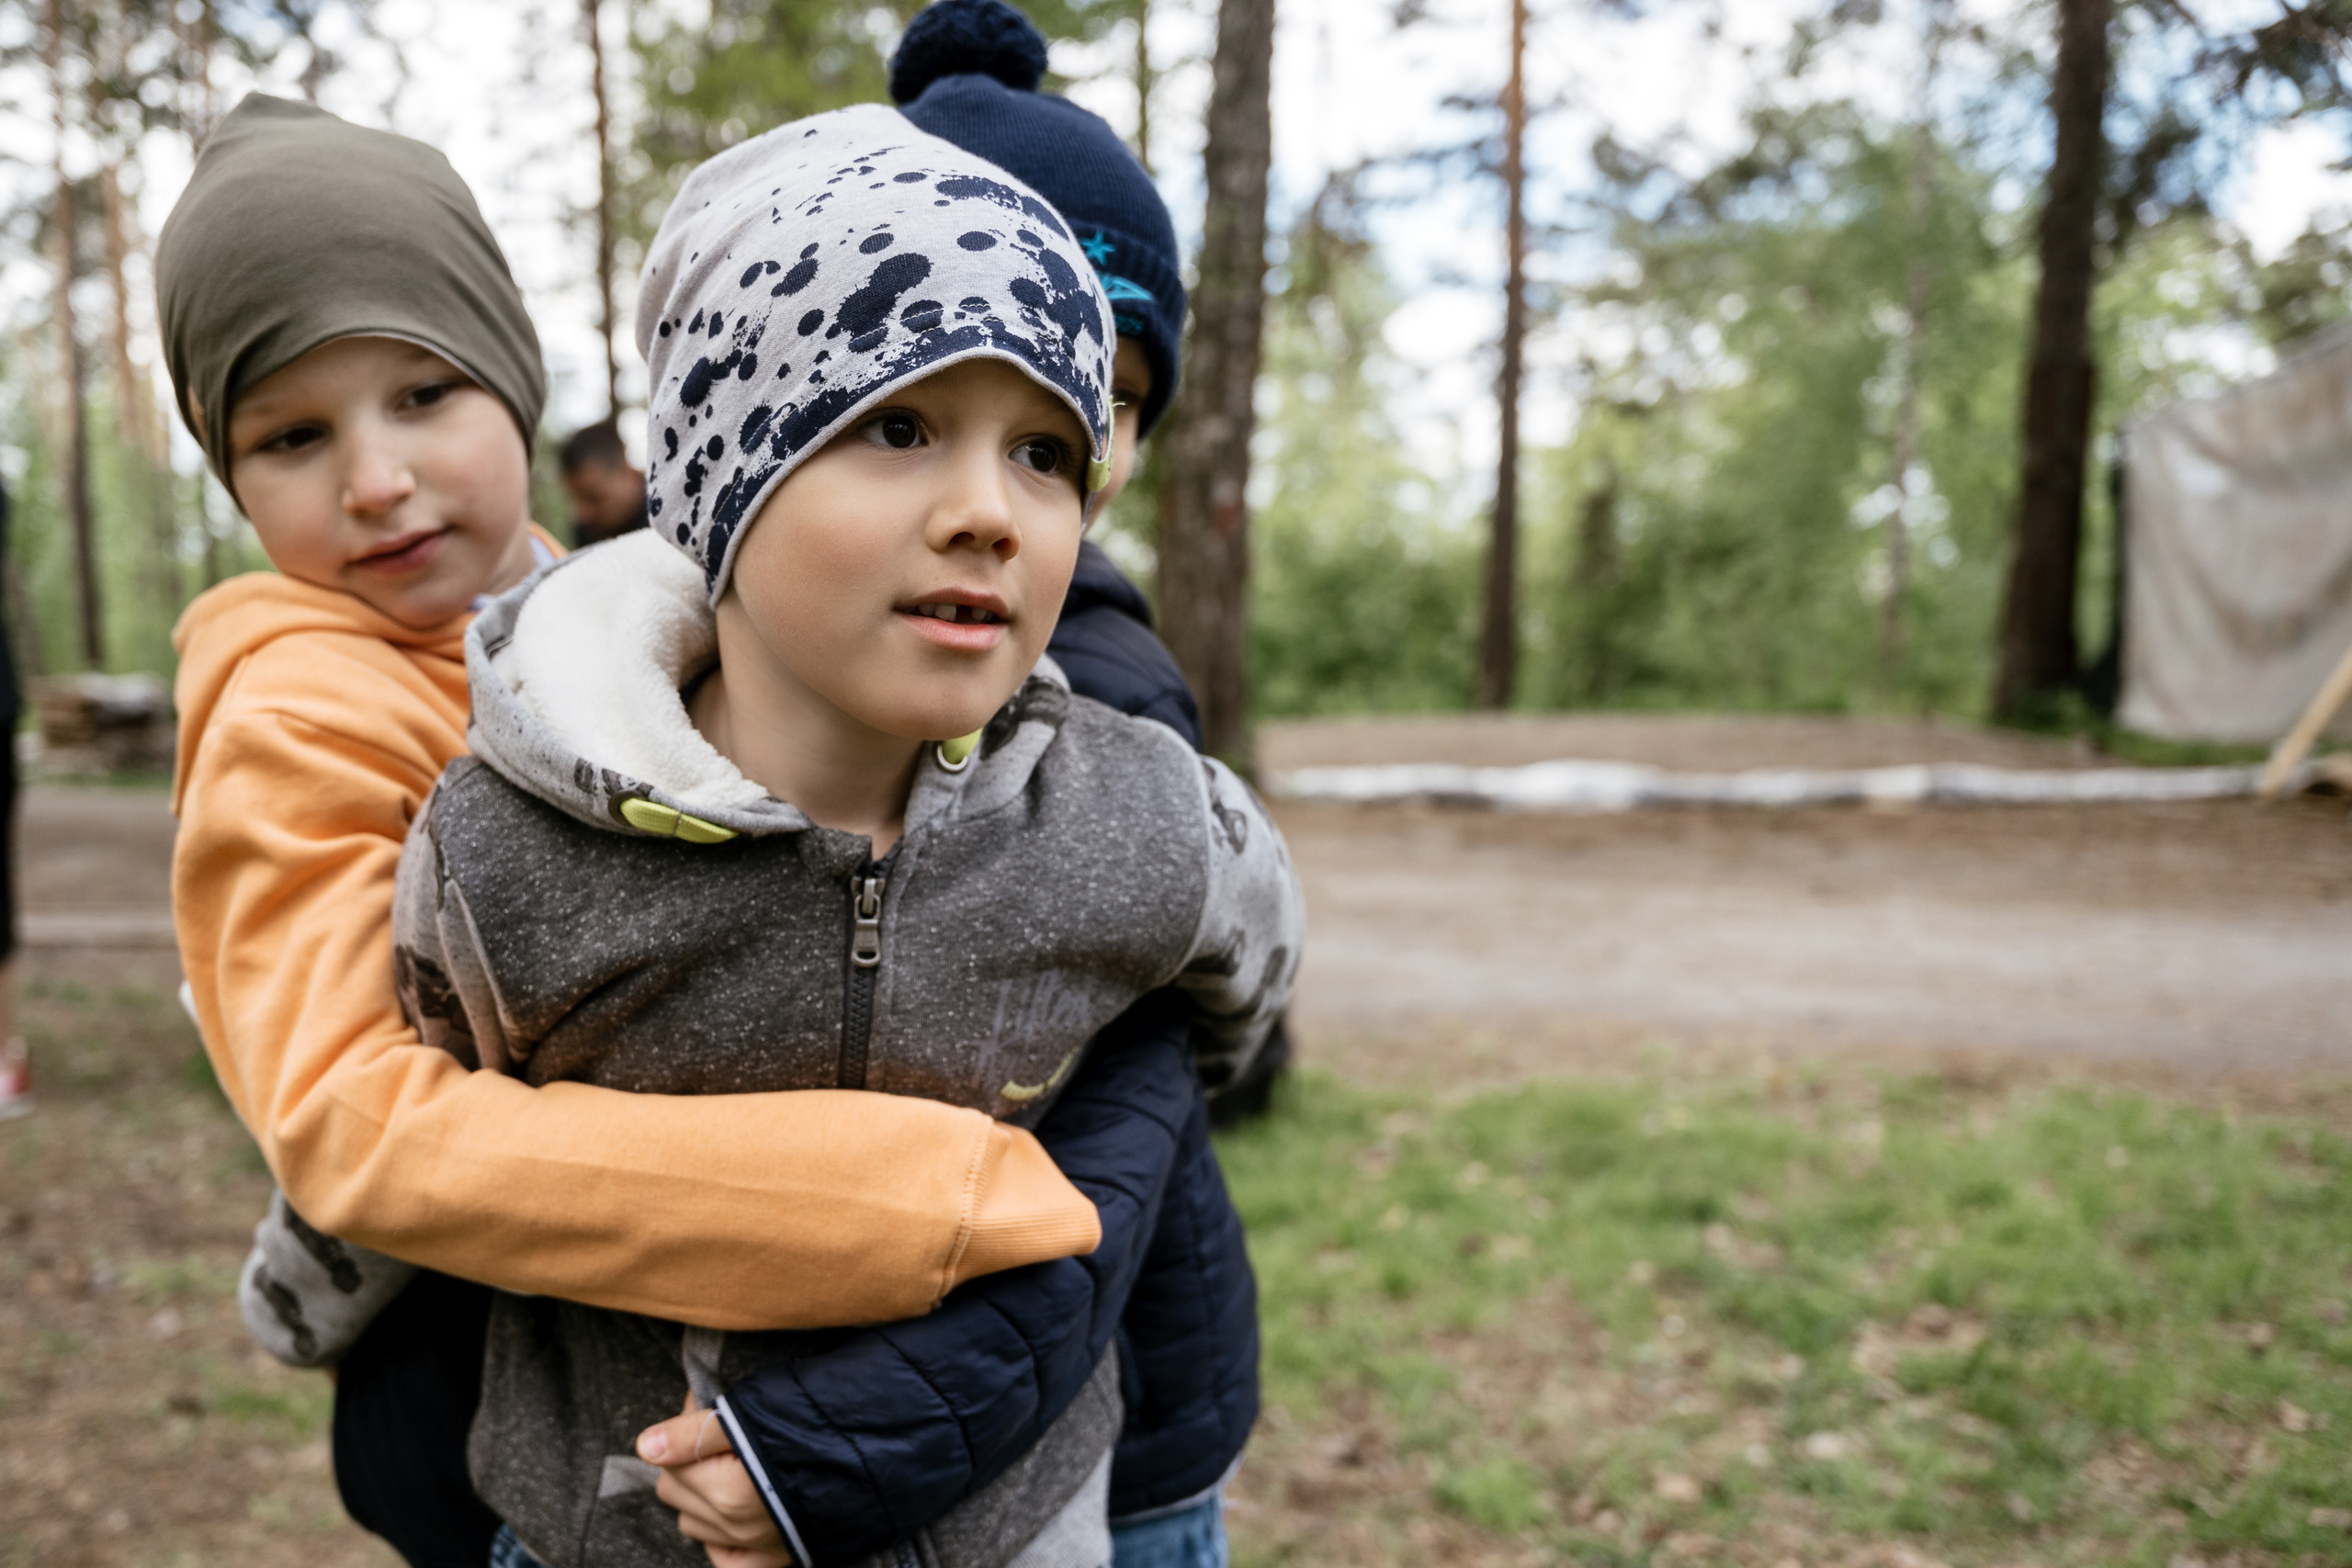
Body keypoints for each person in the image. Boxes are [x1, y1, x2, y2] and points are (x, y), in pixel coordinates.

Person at [293, 105, 1302, 1568]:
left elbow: (1236, 989)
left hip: (1021, 1527)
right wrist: (305, 1295)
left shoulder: (1136, 810)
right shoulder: (507, 856)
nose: (985, 512)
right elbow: (421, 1117)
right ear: (720, 474)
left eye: (1044, 449)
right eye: (897, 425)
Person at [893, 0, 1295, 1136]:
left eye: (1108, 402)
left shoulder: (1118, 686)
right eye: (919, 416)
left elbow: (1138, 1086)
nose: (1093, 447)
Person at [558, 418, 649, 546]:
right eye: (575, 499)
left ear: (627, 471)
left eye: (594, 498)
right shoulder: (585, 532)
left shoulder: (668, 516)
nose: (583, 515)